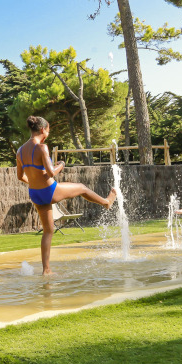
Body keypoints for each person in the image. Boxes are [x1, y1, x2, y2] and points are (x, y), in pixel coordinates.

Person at [17, 116, 117, 275]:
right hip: (49, 191)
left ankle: (46, 270)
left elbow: (20, 176)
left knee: (48, 231)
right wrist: (61, 165)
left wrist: (34, 182)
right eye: (48, 130)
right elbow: (51, 172)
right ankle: (106, 202)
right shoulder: (42, 147)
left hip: (34, 193)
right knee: (82, 188)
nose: (48, 133)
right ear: (43, 130)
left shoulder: (20, 150)